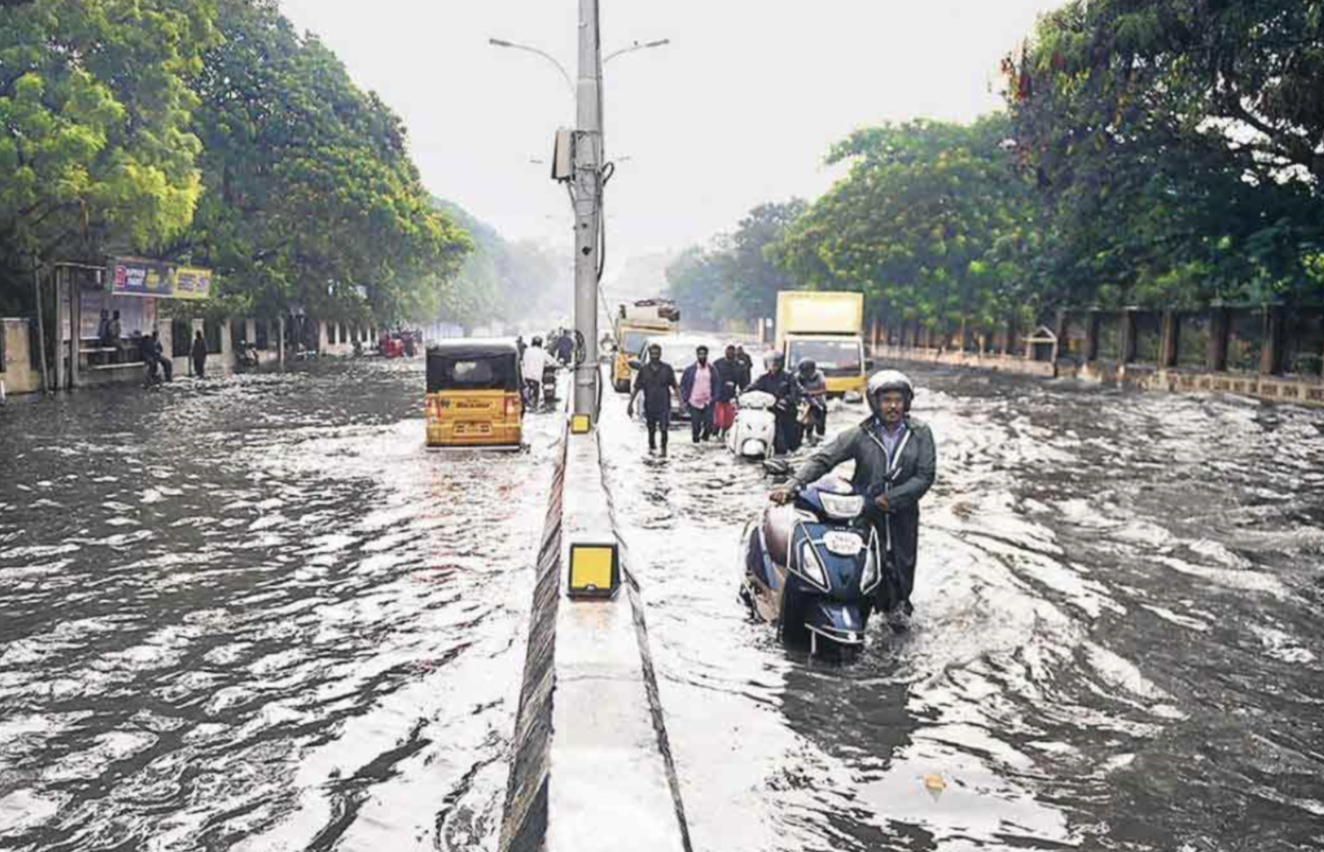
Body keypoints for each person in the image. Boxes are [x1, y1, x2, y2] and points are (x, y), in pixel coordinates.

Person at [770, 370, 936, 627]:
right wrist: (792, 485)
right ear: (875, 402)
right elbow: (824, 458)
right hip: (866, 513)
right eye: (886, 400)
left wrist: (891, 499)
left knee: (902, 566)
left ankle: (899, 613)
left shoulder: (920, 433)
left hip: (903, 514)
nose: (892, 406)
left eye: (898, 400)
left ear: (906, 402)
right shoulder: (861, 434)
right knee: (863, 566)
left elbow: (925, 476)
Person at [627, 343, 678, 457]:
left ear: (660, 354)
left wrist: (681, 402)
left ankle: (664, 450)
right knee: (651, 429)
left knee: (664, 428)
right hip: (650, 405)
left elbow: (675, 386)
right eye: (653, 354)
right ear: (649, 355)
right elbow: (636, 387)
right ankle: (652, 448)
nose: (655, 356)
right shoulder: (644, 370)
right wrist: (630, 404)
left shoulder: (667, 369)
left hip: (664, 404)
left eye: (657, 354)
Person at [749, 353, 800, 455]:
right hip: (768, 411)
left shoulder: (789, 377)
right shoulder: (763, 378)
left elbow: (795, 393)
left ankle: (785, 452)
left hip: (786, 410)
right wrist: (740, 396)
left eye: (777, 362)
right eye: (771, 362)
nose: (773, 365)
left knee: (787, 435)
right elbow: (751, 388)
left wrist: (786, 400)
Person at [679, 345, 718, 444]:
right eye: (700, 354)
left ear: (707, 355)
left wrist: (715, 398)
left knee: (709, 425)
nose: (702, 356)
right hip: (694, 402)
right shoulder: (690, 370)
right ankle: (696, 443)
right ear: (697, 355)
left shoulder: (712, 370)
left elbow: (717, 384)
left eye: (704, 354)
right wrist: (684, 400)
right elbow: (682, 385)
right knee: (696, 427)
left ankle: (704, 443)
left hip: (708, 402)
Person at [712, 345, 743, 437]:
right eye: (728, 352)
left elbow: (743, 382)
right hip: (718, 396)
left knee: (728, 421)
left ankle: (724, 434)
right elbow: (712, 379)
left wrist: (741, 392)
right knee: (717, 421)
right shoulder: (717, 363)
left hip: (730, 396)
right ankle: (715, 433)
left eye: (732, 353)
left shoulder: (739, 366)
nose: (730, 354)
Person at [797, 359, 829, 445]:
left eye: (807, 372)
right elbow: (795, 388)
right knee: (806, 425)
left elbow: (824, 390)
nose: (805, 375)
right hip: (805, 405)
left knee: (820, 426)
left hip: (819, 404)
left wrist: (811, 393)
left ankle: (820, 442)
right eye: (803, 372)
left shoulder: (819, 375)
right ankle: (807, 439)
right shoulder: (799, 376)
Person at [522, 336, 549, 406]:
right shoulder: (543, 352)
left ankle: (527, 402)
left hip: (526, 376)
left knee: (526, 389)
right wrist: (560, 365)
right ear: (540, 344)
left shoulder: (527, 351)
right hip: (536, 378)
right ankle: (535, 404)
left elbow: (523, 361)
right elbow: (552, 361)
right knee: (536, 393)